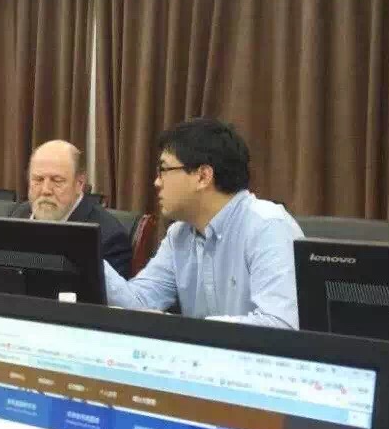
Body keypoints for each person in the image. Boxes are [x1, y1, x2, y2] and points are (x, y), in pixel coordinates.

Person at [104, 118, 304, 328]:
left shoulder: (268, 226)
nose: (157, 182)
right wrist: (89, 258)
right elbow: (140, 303)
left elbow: (280, 324)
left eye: (164, 170)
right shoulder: (179, 234)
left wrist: (189, 330)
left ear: (203, 176)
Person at [10, 140, 133, 277]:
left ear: (79, 183)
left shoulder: (108, 238)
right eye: (38, 180)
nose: (45, 190)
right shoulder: (17, 216)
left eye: (57, 181)